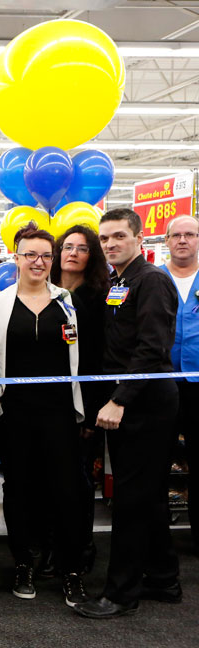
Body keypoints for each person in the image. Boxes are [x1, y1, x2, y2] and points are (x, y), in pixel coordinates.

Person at [75, 208, 181, 618]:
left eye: (119, 236)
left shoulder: (151, 281)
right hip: (129, 404)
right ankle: (164, 578)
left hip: (144, 406)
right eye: (104, 239)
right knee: (148, 497)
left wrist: (119, 399)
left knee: (133, 501)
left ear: (139, 238)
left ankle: (121, 594)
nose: (110, 244)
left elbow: (152, 350)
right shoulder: (119, 281)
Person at [0, 227, 92, 608]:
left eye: (45, 255)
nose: (38, 262)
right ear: (15, 258)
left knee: (67, 492)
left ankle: (71, 571)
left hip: (60, 414)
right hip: (13, 415)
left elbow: (84, 355)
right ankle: (23, 563)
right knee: (18, 492)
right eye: (30, 254)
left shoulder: (67, 302)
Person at [51, 224, 110, 576]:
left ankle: (79, 547)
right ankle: (50, 544)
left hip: (83, 403)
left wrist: (90, 415)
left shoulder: (98, 297)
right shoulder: (43, 291)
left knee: (78, 479)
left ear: (92, 256)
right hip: (47, 403)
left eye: (82, 248)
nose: (73, 253)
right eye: (67, 246)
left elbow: (99, 360)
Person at [161, 215, 199, 551]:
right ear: (167, 241)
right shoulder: (155, 279)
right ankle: (157, 542)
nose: (183, 240)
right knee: (158, 460)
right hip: (161, 383)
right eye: (177, 235)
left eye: (190, 234)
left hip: (198, 383)